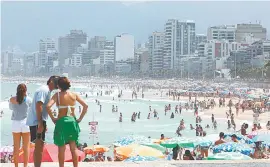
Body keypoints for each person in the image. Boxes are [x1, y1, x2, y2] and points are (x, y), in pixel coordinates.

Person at [46, 77, 88, 167]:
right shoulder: (74, 94)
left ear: (58, 86)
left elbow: (48, 106)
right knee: (73, 149)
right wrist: (80, 119)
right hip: (72, 122)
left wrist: (53, 118)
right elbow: (85, 106)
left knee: (61, 149)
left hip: (61, 123)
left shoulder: (57, 95)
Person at [26, 75, 60, 167]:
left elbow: (42, 107)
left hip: (38, 121)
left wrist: (43, 122)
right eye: (57, 81)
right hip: (37, 121)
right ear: (51, 81)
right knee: (39, 147)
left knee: (39, 146)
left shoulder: (46, 90)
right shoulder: (44, 90)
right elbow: (39, 105)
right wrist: (40, 122)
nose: (59, 83)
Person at [9, 84, 32, 167]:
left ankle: (16, 165)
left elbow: (11, 108)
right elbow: (32, 110)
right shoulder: (29, 99)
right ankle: (25, 165)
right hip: (25, 123)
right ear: (25, 91)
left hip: (15, 124)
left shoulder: (12, 99)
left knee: (16, 147)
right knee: (26, 147)